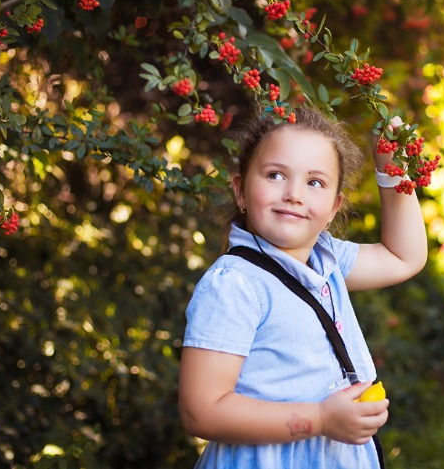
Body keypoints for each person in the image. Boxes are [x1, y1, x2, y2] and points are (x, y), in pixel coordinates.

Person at [178, 106, 428, 468]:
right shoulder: (235, 284)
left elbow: (404, 256)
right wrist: (322, 420)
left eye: (315, 182)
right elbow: (201, 412)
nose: (294, 193)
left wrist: (392, 168)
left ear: (333, 207)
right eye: (276, 175)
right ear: (241, 191)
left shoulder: (325, 260)